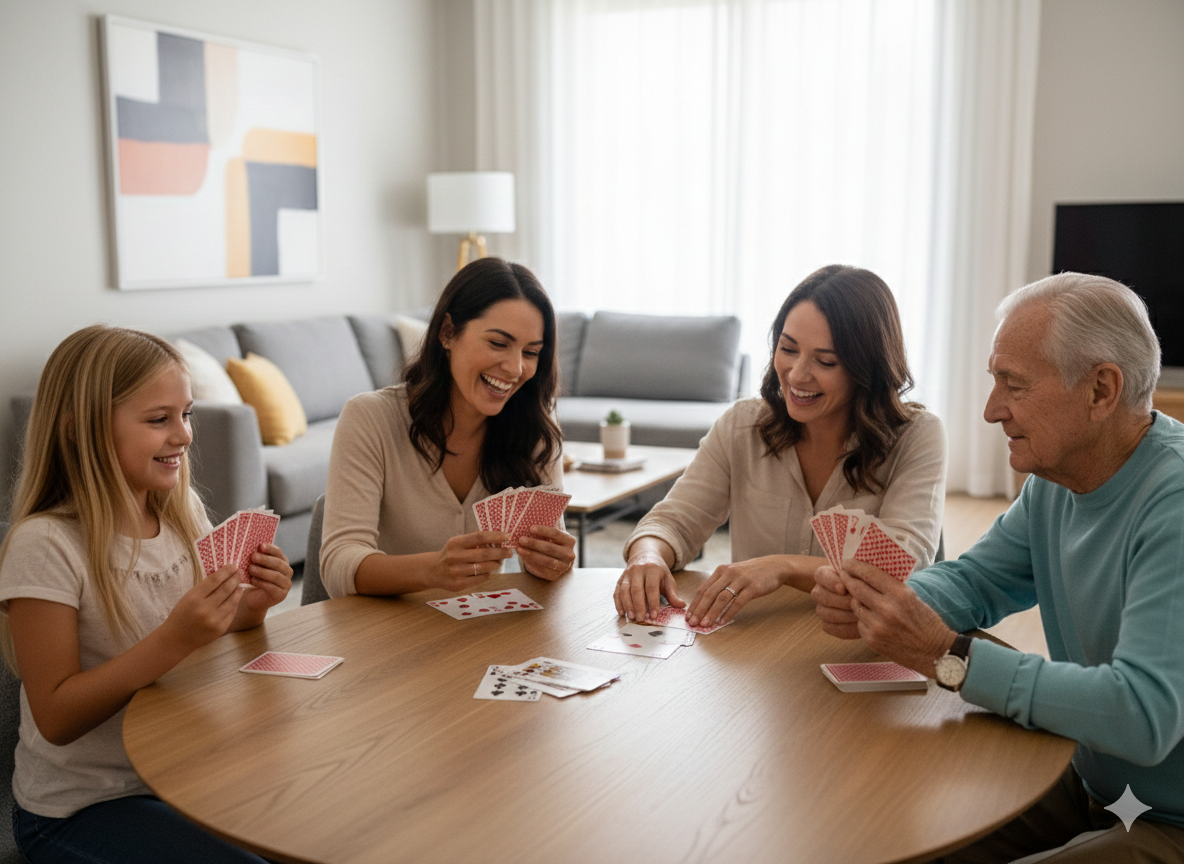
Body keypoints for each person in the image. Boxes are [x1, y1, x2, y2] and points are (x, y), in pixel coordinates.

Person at [813, 273, 1184, 862]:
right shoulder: (1055, 484)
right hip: (1092, 778)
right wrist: (886, 598)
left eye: (1013, 385)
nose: (991, 410)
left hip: (1170, 819)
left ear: (1100, 390)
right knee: (890, 840)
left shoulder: (1175, 505)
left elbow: (1141, 713)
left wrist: (953, 657)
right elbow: (974, 581)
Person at [0, 325, 294, 864]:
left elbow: (211, 626)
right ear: (78, 431)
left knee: (312, 824)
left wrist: (252, 605)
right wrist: (173, 640)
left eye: (187, 414)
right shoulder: (45, 544)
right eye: (159, 420)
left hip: (180, 772)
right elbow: (57, 718)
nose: (183, 435)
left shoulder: (183, 516)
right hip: (81, 807)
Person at [614, 264, 946, 626]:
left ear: (867, 368)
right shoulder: (742, 425)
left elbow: (900, 566)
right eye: (788, 349)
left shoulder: (918, 436)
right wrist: (647, 555)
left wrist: (782, 567)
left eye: (825, 361)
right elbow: (674, 521)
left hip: (862, 642)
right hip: (758, 642)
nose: (797, 374)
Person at [320, 257, 577, 598]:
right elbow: (338, 566)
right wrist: (432, 570)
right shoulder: (370, 418)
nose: (515, 368)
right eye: (498, 344)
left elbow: (548, 566)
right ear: (447, 333)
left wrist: (554, 562)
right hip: (386, 634)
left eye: (531, 352)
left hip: (477, 637)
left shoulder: (536, 425)